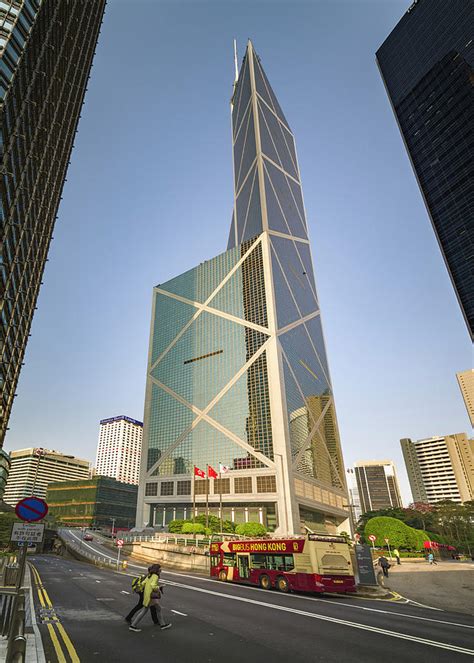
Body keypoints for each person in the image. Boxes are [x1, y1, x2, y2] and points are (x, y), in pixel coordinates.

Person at [129, 564, 172, 632]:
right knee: (155, 609)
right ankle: (133, 626)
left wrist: (138, 587)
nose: (161, 571)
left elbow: (143, 583)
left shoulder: (150, 575)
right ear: (157, 570)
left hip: (147, 595)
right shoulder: (155, 576)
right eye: (160, 569)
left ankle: (162, 625)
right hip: (151, 596)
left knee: (154, 609)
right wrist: (159, 587)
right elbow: (153, 586)